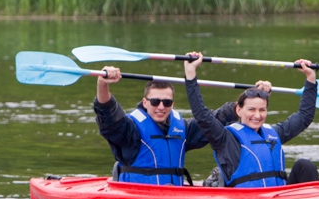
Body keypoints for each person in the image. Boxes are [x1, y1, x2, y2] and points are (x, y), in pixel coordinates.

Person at [93, 58, 270, 186]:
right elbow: (109, 117)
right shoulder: (130, 131)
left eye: (167, 102)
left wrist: (253, 96)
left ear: (172, 103)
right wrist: (103, 84)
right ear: (145, 102)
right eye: (155, 102)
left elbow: (215, 119)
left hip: (173, 197)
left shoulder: (182, 129)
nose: (161, 107)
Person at [184, 52, 319, 188]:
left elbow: (304, 117)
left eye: (262, 110)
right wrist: (190, 74)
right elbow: (202, 115)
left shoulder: (274, 134)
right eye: (251, 109)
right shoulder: (224, 138)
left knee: (305, 166)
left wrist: (310, 78)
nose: (257, 115)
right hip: (247, 198)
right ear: (239, 110)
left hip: (278, 196)